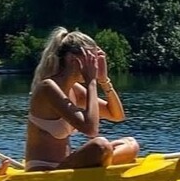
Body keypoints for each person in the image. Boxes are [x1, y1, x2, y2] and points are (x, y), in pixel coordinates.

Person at [24, 27, 140, 171]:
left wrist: (103, 80)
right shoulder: (47, 88)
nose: (94, 66)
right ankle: (102, 163)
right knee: (100, 146)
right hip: (45, 171)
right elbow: (91, 130)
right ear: (72, 59)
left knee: (131, 144)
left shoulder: (75, 90)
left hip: (66, 166)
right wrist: (91, 81)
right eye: (91, 60)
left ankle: (103, 163)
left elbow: (117, 115)